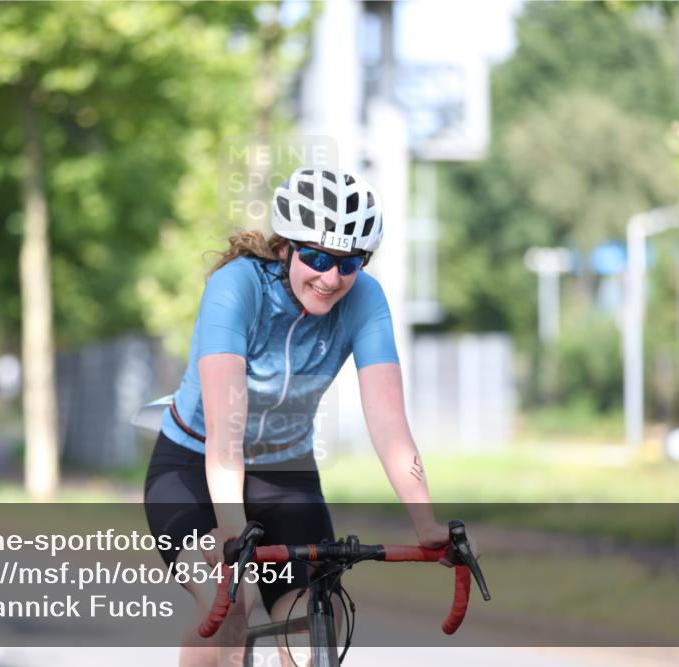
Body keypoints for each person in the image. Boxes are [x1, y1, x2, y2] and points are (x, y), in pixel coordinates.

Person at [143, 167, 450, 667]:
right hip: (194, 465)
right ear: (286, 247)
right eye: (317, 258)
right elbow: (226, 429)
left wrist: (425, 521)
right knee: (231, 600)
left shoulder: (365, 299)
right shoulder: (236, 287)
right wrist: (230, 526)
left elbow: (390, 423)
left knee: (317, 614)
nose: (331, 278)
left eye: (348, 263)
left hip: (285, 471)